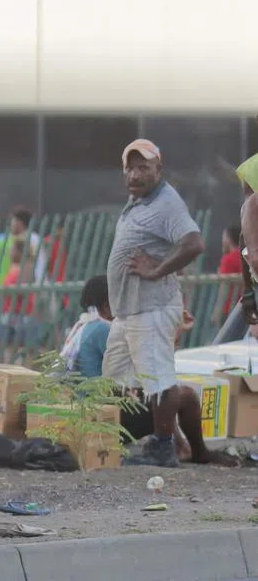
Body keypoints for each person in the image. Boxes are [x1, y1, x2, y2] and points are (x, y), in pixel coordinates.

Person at [103, 139, 205, 468]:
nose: (135, 173)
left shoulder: (166, 203)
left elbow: (194, 243)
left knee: (159, 379)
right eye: (130, 167)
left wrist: (158, 269)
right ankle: (122, 439)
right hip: (127, 312)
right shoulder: (138, 201)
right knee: (116, 379)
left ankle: (164, 447)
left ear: (158, 169)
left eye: (143, 167)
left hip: (152, 309)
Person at [63, 275, 233, 466]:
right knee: (182, 396)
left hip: (84, 409)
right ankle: (193, 451)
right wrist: (175, 330)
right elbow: (152, 371)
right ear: (106, 307)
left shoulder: (82, 327)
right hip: (99, 416)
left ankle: (181, 447)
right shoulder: (105, 330)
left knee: (162, 393)